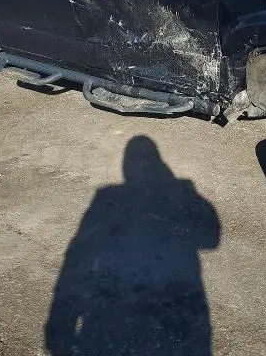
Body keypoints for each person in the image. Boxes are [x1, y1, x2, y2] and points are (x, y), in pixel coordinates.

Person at [45, 135, 221, 356]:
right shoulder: (184, 192)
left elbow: (77, 252)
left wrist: (59, 327)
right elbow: (212, 240)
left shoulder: (106, 195)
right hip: (176, 313)